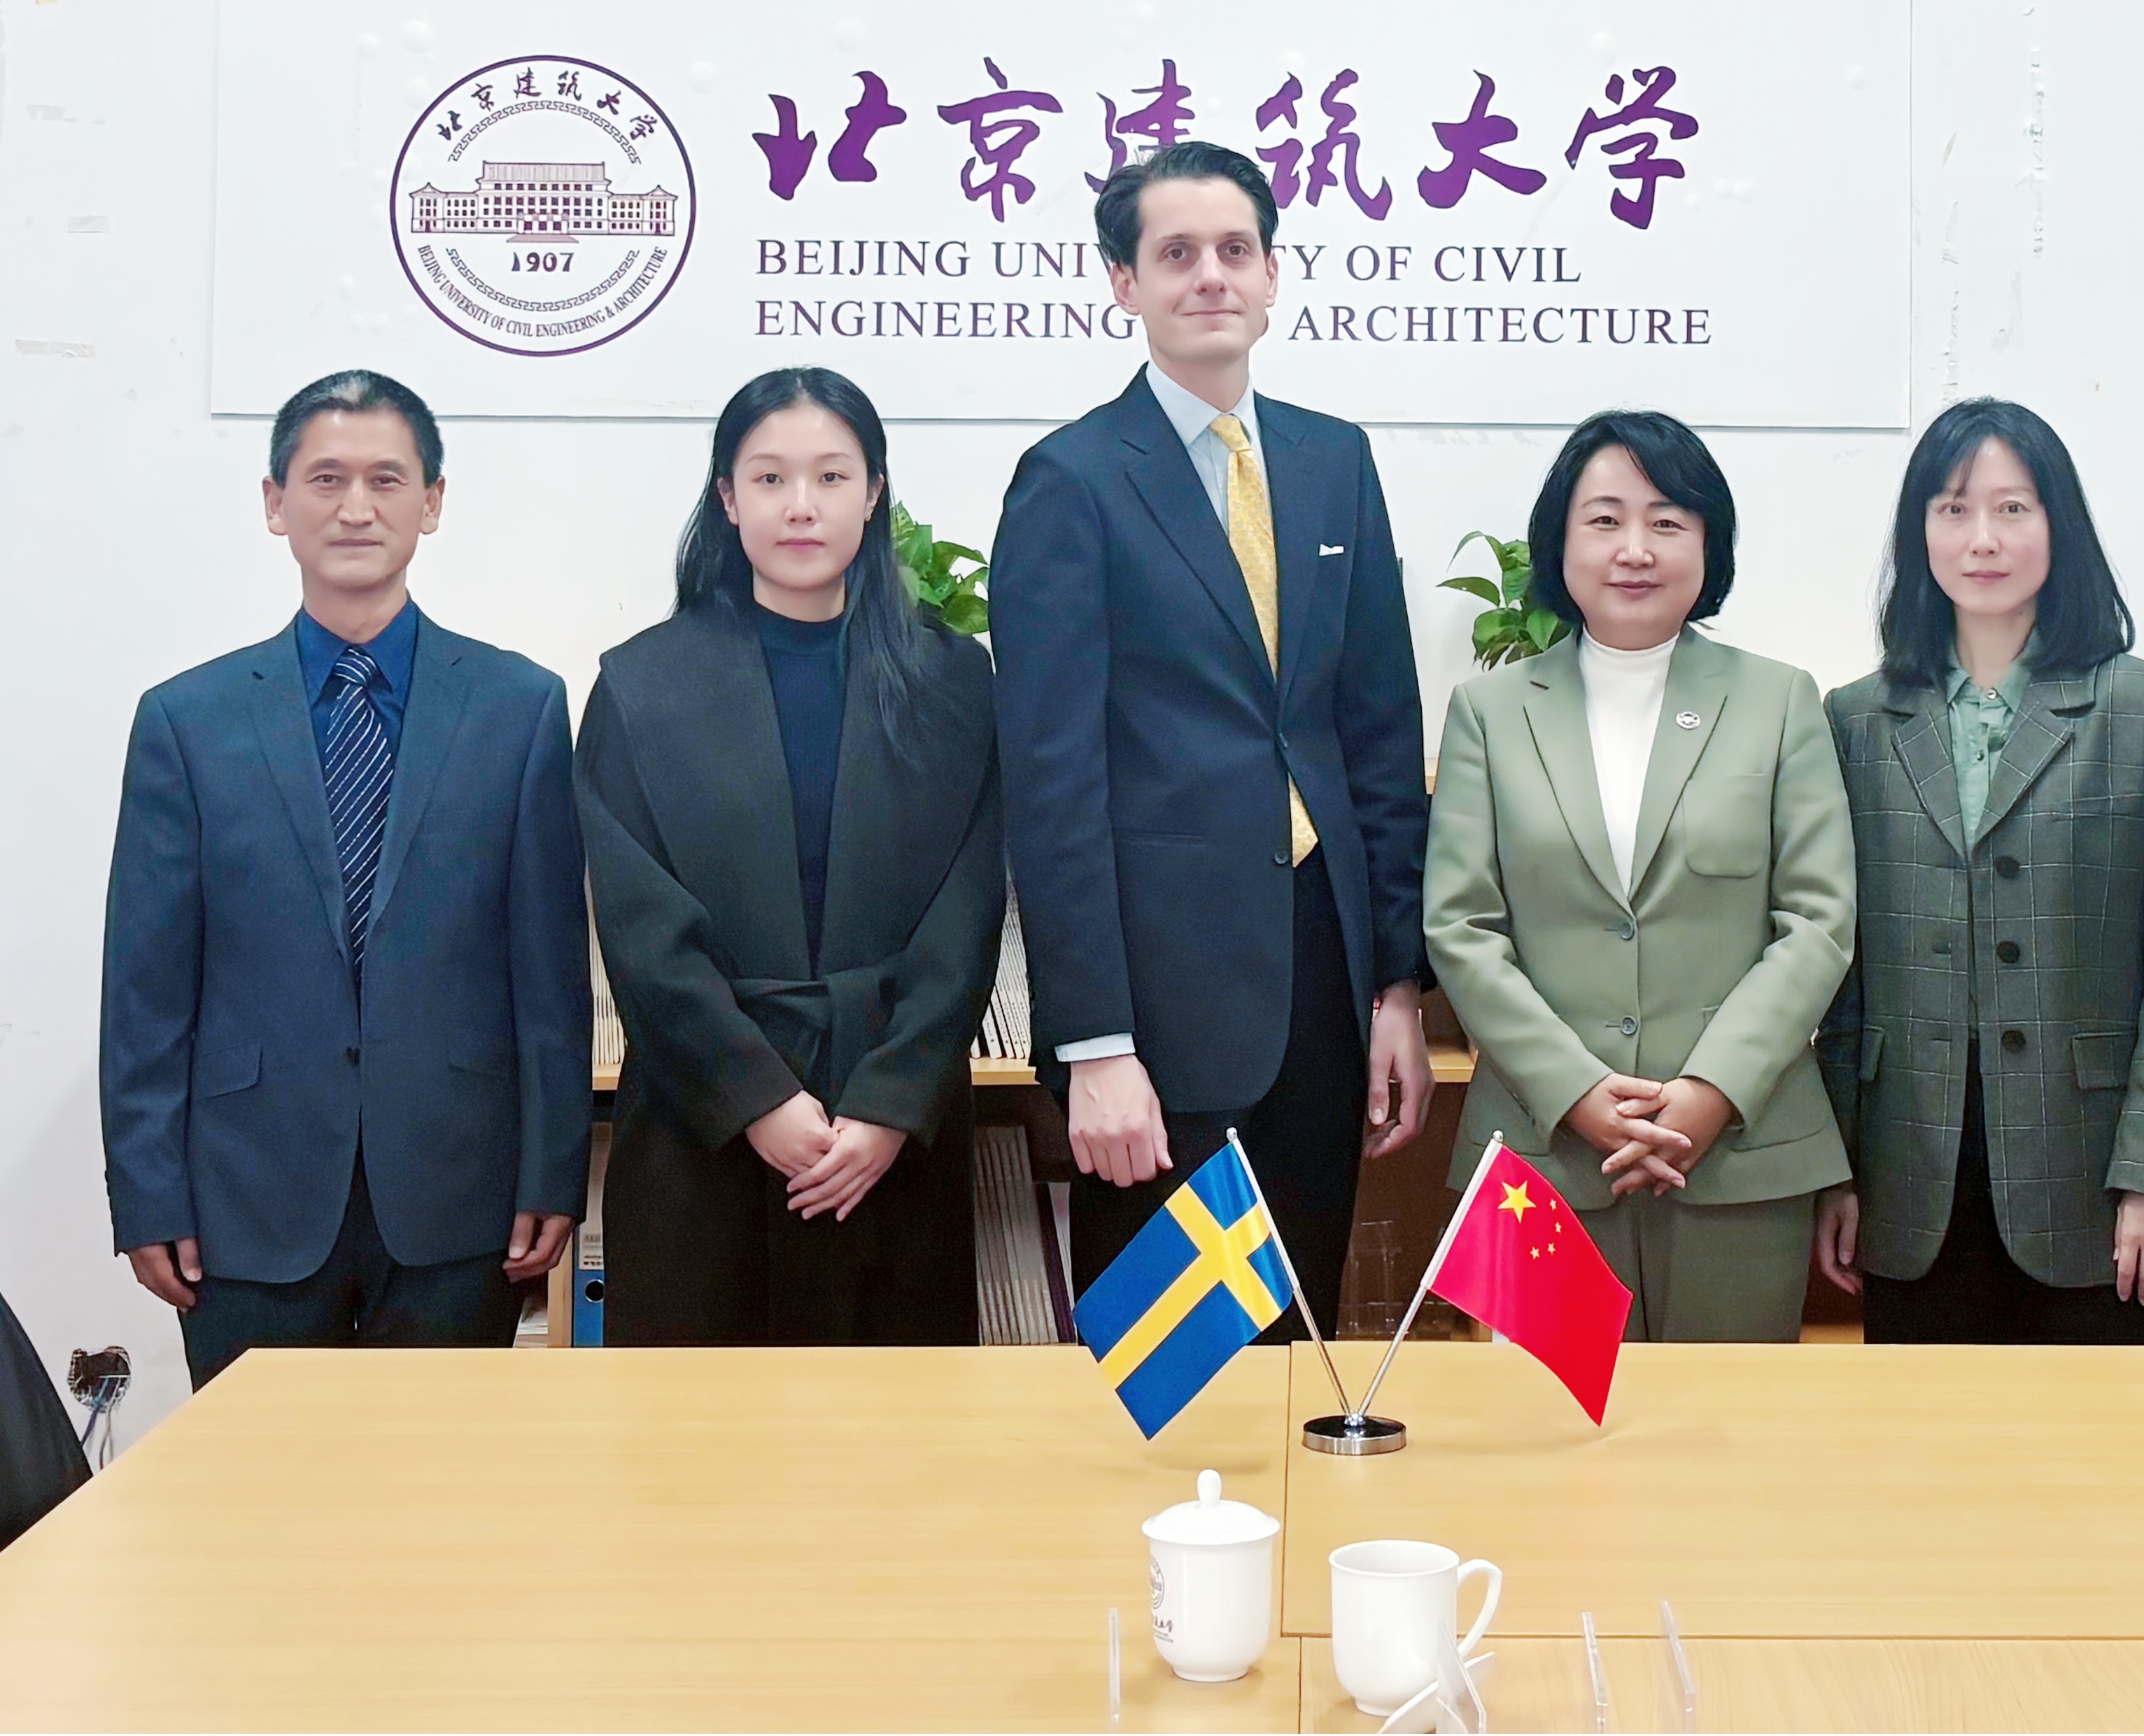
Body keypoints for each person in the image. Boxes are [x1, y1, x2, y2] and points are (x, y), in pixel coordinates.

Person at [992, 141, 1430, 1334]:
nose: (1211, 276)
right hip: (1161, 1012)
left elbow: (1378, 733)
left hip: (1324, 983)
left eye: (1236, 249)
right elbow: (1053, 784)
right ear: (1124, 284)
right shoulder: (1071, 480)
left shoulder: (1335, 461)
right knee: (1171, 1367)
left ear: (1273, 274)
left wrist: (1396, 988)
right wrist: (1095, 1045)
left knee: (1299, 1350)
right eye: (1176, 253)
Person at [101, 371, 589, 1389]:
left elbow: (547, 976)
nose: (356, 507)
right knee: (260, 1484)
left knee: (441, 1477)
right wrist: (147, 1193)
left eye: (386, 479)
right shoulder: (186, 722)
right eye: (325, 479)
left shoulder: (520, 708)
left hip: (461, 1192)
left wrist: (554, 1172)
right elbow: (145, 990)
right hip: (244, 1197)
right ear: (275, 502)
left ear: (433, 502)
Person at [577, 367, 1003, 1345]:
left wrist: (887, 1108)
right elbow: (643, 935)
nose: (800, 506)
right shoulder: (641, 687)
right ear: (728, 499)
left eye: (831, 477)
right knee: (699, 1429)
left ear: (875, 493)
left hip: (891, 1139)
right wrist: (760, 1101)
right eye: (769, 479)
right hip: (702, 1130)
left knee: (892, 1426)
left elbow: (967, 912)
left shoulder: (953, 682)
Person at [1425, 410, 1856, 1340]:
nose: (1635, 549)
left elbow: (1818, 922)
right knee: (1545, 1425)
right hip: (1542, 1158)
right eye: (1605, 519)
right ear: (1560, 541)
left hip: (1740, 1152)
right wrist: (1578, 1094)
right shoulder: (1489, 713)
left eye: (1667, 522)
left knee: (1728, 1424)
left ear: (1709, 545)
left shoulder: (1780, 700)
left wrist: (1709, 1093)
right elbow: (1461, 928)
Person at [1815, 400, 2144, 1343]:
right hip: (1907, 1179)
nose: (1982, 538)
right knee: (1928, 1438)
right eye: (1953, 509)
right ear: (1919, 531)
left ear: (2057, 524)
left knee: (2100, 1438)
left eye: (2012, 508)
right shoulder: (1857, 718)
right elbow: (1841, 974)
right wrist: (1834, 1171)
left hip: (2096, 1177)